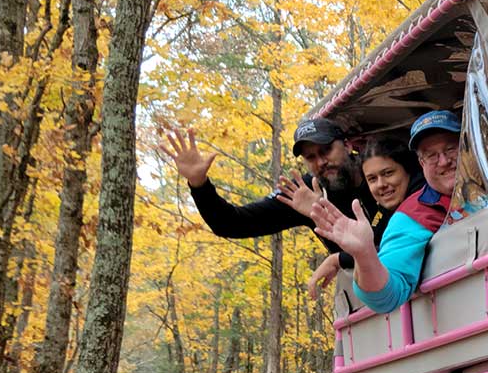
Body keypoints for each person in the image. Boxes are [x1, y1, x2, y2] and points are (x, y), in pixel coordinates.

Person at [308, 111, 468, 314]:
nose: (444, 161)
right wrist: (363, 255)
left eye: (451, 149)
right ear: (420, 163)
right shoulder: (412, 217)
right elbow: (386, 295)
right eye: (431, 155)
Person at [162, 119, 377, 260]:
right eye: (311, 157)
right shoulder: (302, 193)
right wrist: (199, 185)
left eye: (327, 150)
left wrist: (338, 258)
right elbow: (230, 223)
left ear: (348, 146)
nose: (321, 162)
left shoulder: (381, 169)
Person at [287, 140, 423, 299]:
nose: (381, 184)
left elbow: (391, 248)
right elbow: (367, 247)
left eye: (388, 173)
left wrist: (338, 260)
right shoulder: (383, 211)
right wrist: (325, 220)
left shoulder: (422, 200)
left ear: (407, 170)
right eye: (372, 179)